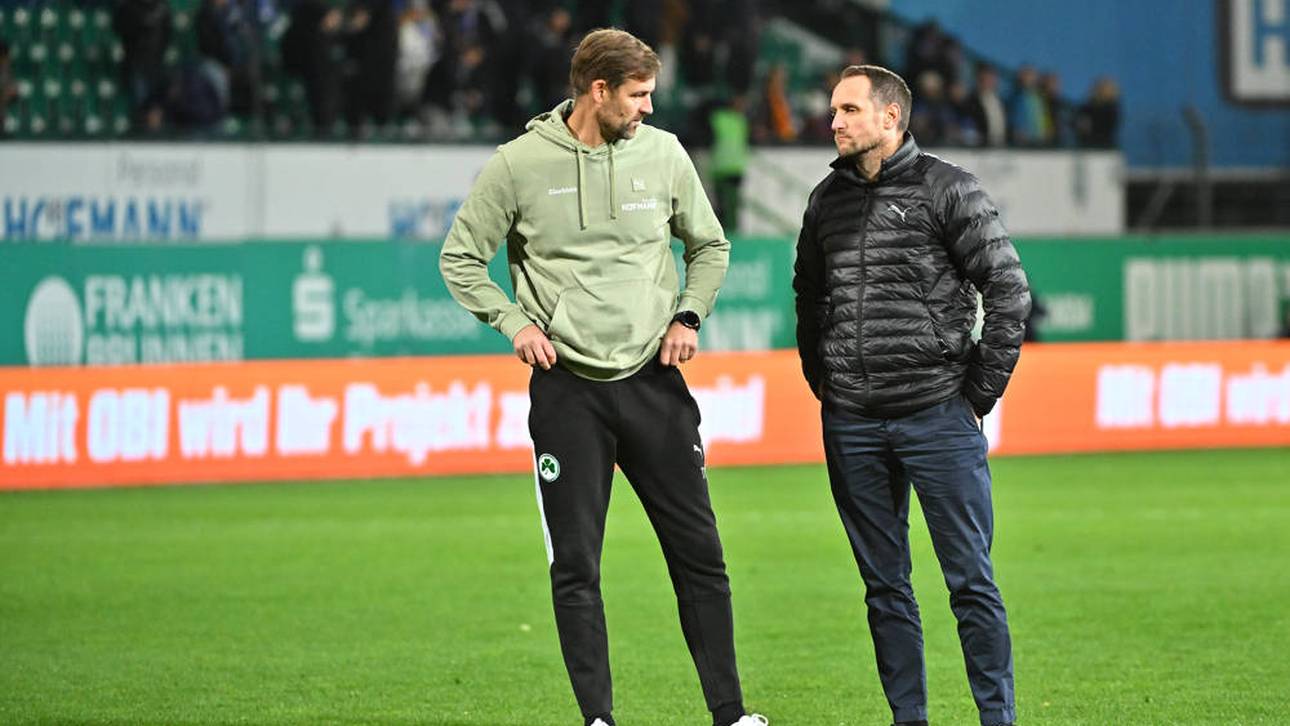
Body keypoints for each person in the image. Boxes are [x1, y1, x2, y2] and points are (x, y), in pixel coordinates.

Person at [439, 28, 766, 726]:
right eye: (639, 95)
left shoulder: (665, 153)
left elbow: (709, 246)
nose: (649, 108)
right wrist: (514, 324)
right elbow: (461, 259)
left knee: (701, 556)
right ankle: (598, 720)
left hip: (654, 383)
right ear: (599, 90)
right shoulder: (518, 164)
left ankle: (732, 714)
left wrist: (689, 316)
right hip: (568, 391)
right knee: (577, 567)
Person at [792, 65, 1030, 726]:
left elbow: (1008, 292)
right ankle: (910, 720)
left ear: (889, 118)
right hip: (852, 423)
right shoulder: (825, 201)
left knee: (970, 584)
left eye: (847, 110)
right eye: (833, 110)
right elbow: (809, 299)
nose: (833, 122)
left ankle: (997, 719)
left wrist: (973, 396)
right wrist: (827, 381)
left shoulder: (948, 189)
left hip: (938, 415)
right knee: (884, 589)